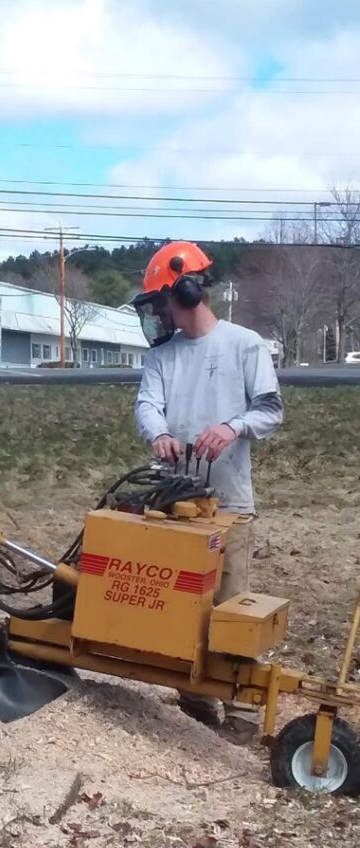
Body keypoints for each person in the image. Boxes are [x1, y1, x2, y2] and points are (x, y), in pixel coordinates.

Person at [133, 241, 283, 744]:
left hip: (230, 502)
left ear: (188, 291)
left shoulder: (245, 345)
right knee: (179, 604)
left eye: (161, 302)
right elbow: (147, 406)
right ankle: (195, 703)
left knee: (232, 604)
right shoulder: (162, 358)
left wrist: (234, 426)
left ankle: (240, 708)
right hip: (174, 504)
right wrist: (160, 434)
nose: (158, 313)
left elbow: (270, 409)